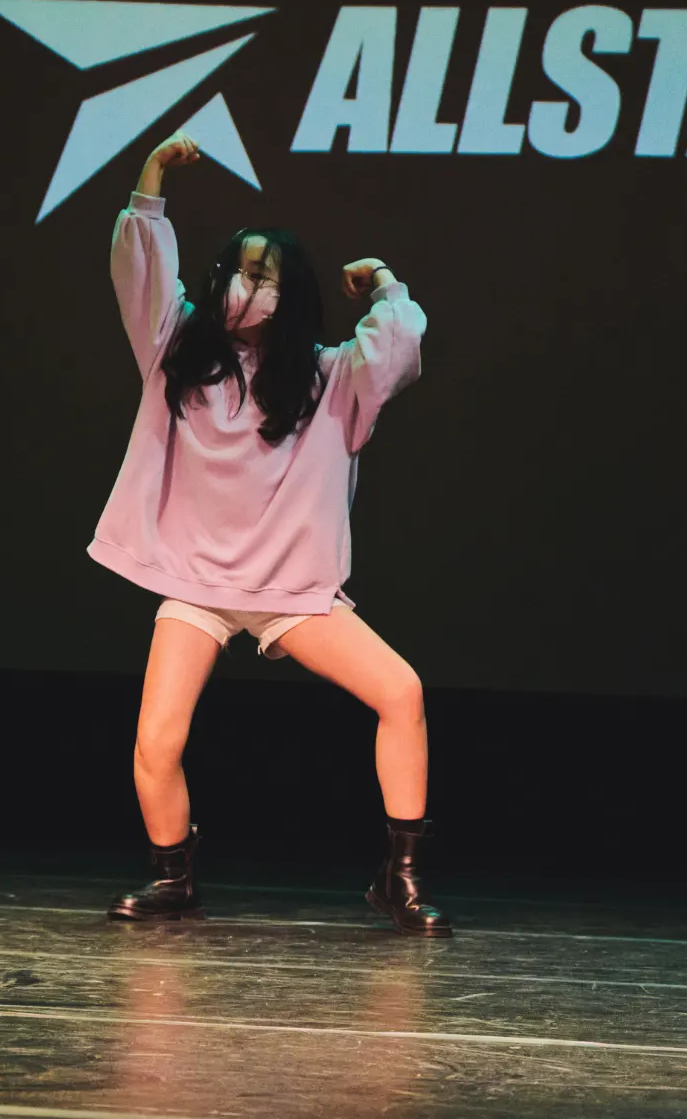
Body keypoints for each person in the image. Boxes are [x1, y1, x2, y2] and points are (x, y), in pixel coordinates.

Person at [90, 130, 448, 937]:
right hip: (198, 583)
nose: (245, 287)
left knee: (402, 692)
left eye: (264, 276)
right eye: (238, 271)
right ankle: (173, 877)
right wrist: (152, 176)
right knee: (155, 742)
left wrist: (386, 283)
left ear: (292, 295)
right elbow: (140, 273)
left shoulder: (330, 378)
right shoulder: (177, 350)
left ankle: (398, 880)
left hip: (290, 587)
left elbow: (398, 348)